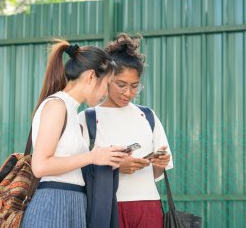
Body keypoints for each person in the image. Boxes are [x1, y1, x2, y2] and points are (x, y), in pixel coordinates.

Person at [22, 40, 128, 228]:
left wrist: (105, 158)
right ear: (90, 77)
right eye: (107, 84)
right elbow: (40, 166)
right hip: (52, 204)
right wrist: (93, 157)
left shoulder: (72, 113)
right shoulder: (56, 105)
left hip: (74, 203)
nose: (107, 92)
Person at [79, 33, 173, 228]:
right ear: (106, 79)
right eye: (121, 85)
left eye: (134, 86)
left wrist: (160, 163)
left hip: (148, 205)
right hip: (106, 206)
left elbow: (155, 174)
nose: (128, 93)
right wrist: (115, 169)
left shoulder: (148, 116)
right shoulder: (87, 118)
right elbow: (78, 172)